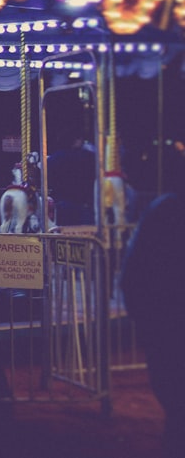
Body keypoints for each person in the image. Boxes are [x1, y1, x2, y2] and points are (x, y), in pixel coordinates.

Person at [121, 146, 185, 457]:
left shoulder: (162, 211)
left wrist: (145, 321)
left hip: (166, 325)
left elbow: (134, 274)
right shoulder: (163, 212)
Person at [47, 131, 96, 226]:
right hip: (84, 204)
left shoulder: (53, 159)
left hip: (62, 203)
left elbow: (48, 181)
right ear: (77, 140)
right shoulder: (89, 157)